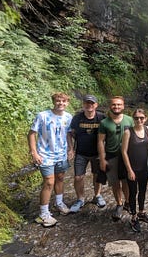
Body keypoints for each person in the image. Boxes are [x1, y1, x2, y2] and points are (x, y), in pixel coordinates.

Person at [28, 92, 74, 227]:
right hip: (45, 154)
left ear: (67, 103)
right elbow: (31, 134)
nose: (61, 103)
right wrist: (34, 153)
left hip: (61, 154)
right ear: (54, 102)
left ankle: (59, 203)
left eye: (64, 101)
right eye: (58, 101)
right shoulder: (43, 115)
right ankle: (43, 213)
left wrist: (70, 148)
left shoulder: (68, 117)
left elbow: (68, 134)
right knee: (49, 182)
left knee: (60, 178)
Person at [68, 95, 107, 213]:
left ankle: (97, 195)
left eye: (92, 103)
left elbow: (108, 133)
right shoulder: (77, 118)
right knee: (78, 177)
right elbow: (70, 133)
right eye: (87, 103)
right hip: (81, 152)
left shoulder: (102, 117)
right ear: (83, 104)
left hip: (97, 153)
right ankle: (80, 199)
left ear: (96, 105)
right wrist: (71, 148)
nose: (89, 105)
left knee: (97, 175)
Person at [97, 96, 134, 220]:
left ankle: (128, 202)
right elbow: (101, 141)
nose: (116, 107)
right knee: (114, 182)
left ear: (123, 106)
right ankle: (119, 203)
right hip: (111, 155)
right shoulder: (104, 123)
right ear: (110, 106)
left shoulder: (129, 120)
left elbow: (135, 137)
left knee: (126, 181)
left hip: (127, 156)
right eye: (114, 105)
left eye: (119, 105)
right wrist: (102, 159)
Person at [121, 109, 148, 232]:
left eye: (141, 118)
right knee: (133, 193)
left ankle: (141, 212)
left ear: (145, 118)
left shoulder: (147, 129)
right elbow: (124, 151)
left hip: (144, 168)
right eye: (136, 118)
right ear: (133, 119)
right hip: (133, 168)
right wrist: (129, 170)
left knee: (143, 191)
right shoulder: (128, 132)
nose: (139, 120)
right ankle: (133, 217)